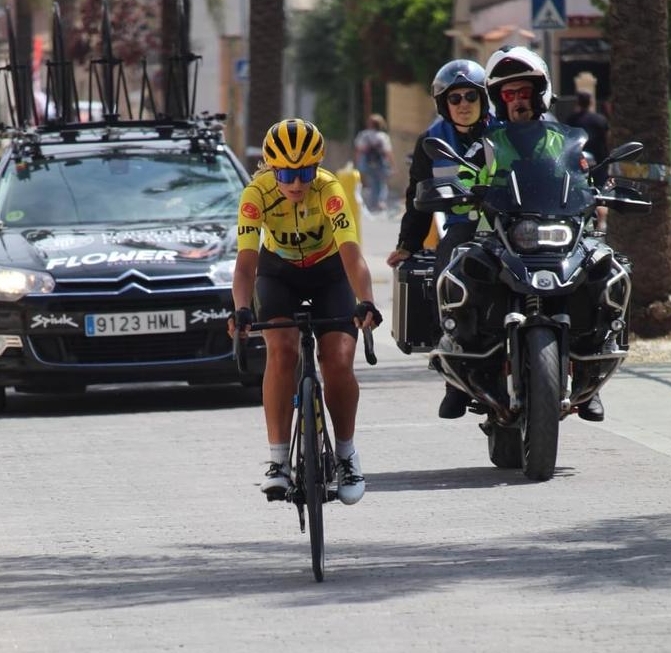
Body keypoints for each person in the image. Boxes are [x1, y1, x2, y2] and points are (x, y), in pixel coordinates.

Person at [442, 45, 604, 422]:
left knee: (603, 266)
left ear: (539, 94)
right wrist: (461, 191)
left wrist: (600, 186)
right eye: (509, 94)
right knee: (458, 267)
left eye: (523, 92)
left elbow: (585, 174)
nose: (516, 100)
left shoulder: (563, 139)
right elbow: (466, 175)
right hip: (501, 234)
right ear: (500, 100)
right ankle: (457, 378)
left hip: (557, 229)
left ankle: (591, 377)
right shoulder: (489, 142)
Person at [228, 118, 383, 505]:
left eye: (305, 173)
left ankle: (346, 456)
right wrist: (242, 309)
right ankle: (279, 462)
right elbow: (245, 265)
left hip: (330, 273)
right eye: (286, 174)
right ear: (271, 168)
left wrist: (366, 300)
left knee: (338, 360)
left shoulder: (329, 189)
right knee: (282, 351)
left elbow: (352, 254)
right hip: (278, 274)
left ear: (317, 168)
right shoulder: (255, 194)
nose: (297, 183)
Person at [385, 58, 497, 418]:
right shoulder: (432, 140)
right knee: (445, 278)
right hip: (463, 228)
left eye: (471, 96)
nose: (463, 104)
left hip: (511, 224)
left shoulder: (505, 131)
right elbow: (417, 196)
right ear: (443, 104)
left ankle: (580, 371)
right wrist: (408, 245)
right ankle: (455, 381)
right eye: (455, 98)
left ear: (483, 98)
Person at [566, 90, 610, 230]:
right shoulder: (600, 119)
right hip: (599, 163)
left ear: (578, 103)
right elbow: (607, 139)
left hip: (577, 164)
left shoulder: (571, 120)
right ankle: (601, 224)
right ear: (591, 102)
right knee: (600, 193)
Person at [354, 113, 395, 212]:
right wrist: (393, 165)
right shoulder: (383, 136)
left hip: (367, 163)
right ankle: (380, 202)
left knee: (372, 182)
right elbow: (388, 152)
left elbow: (359, 150)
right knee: (381, 183)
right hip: (381, 163)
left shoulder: (364, 135)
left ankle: (373, 202)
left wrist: (356, 163)